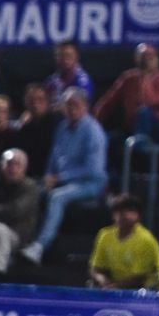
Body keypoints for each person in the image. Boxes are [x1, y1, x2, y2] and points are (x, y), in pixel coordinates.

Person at [22, 86, 107, 265]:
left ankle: (39, 246)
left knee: (57, 197)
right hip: (61, 179)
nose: (70, 109)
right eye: (67, 105)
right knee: (31, 190)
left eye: (75, 105)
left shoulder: (93, 131)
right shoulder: (62, 127)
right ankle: (23, 239)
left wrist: (60, 178)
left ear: (85, 107)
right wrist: (47, 177)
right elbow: (53, 157)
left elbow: (93, 169)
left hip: (89, 183)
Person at [0, 147, 41, 276]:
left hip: (18, 236)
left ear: (24, 168)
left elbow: (16, 210)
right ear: (2, 166)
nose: (13, 169)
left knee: (0, 230)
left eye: (17, 165)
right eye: (9, 164)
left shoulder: (30, 187)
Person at [94, 43, 159, 144]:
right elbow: (108, 101)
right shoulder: (128, 78)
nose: (146, 61)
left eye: (150, 57)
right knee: (104, 139)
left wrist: (145, 77)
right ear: (137, 59)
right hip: (131, 128)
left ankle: (139, 151)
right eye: (143, 57)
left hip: (158, 128)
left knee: (144, 112)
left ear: (157, 59)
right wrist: (95, 123)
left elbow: (149, 101)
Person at [90, 193, 159, 289]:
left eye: (129, 210)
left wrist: (114, 288)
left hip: (147, 290)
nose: (123, 215)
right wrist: (102, 280)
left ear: (138, 215)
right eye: (118, 211)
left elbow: (140, 278)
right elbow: (95, 268)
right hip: (115, 287)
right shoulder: (104, 235)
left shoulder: (145, 240)